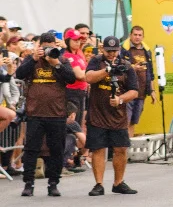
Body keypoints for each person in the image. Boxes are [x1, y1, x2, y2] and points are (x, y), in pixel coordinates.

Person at [17, 32, 76, 197]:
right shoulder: (32, 59)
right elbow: (19, 74)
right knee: (31, 149)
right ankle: (28, 183)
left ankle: (53, 183)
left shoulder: (62, 60)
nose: (48, 49)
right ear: (40, 45)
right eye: (45, 46)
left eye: (52, 46)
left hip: (56, 113)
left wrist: (56, 63)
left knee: (56, 149)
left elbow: (71, 79)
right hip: (35, 112)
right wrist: (35, 58)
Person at [84, 36, 140, 195]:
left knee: (121, 149)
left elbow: (134, 91)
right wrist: (107, 70)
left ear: (119, 50)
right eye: (108, 51)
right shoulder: (96, 60)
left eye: (115, 51)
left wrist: (121, 99)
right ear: (103, 50)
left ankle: (118, 182)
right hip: (98, 113)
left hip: (118, 115)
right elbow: (88, 78)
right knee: (98, 149)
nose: (111, 54)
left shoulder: (126, 65)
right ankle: (99, 184)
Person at [122, 26, 157, 138]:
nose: (137, 37)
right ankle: (122, 150)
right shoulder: (123, 49)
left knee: (133, 122)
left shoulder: (146, 51)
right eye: (135, 34)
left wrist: (152, 90)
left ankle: (128, 149)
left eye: (139, 35)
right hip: (127, 91)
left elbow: (150, 73)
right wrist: (133, 68)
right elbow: (120, 68)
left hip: (141, 92)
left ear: (143, 36)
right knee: (125, 121)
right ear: (130, 35)